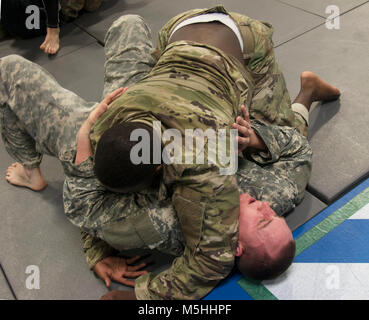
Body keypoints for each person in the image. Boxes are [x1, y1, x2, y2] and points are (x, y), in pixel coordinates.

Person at [0, 8, 340, 300]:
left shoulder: (171, 220)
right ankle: (306, 94)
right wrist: (255, 139)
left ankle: (34, 170)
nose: (267, 207)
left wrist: (99, 251)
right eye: (276, 215)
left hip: (131, 103)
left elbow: (94, 202)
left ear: (237, 245)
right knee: (286, 132)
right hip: (206, 70)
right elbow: (296, 151)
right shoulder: (270, 190)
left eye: (266, 219)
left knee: (125, 25)